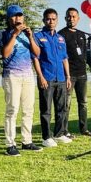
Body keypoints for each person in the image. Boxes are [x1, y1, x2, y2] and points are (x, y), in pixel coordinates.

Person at [0, 5, 43, 156]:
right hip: (12, 75)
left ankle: (27, 141)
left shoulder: (28, 34)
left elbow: (37, 53)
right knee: (12, 109)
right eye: (14, 16)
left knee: (28, 109)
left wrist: (30, 37)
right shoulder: (3, 33)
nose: (18, 19)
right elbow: (5, 54)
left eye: (20, 16)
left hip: (28, 75)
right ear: (9, 18)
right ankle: (10, 144)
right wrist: (15, 34)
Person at [33, 8, 72, 147]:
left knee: (62, 108)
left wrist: (68, 76)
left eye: (54, 19)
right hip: (47, 78)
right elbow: (35, 58)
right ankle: (46, 137)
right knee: (46, 110)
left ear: (57, 20)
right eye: (48, 19)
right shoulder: (38, 36)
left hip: (61, 78)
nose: (51, 21)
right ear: (44, 20)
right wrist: (40, 76)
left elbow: (64, 58)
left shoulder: (60, 38)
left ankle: (59, 133)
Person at [58, 7, 91, 137]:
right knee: (66, 103)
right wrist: (66, 75)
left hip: (82, 74)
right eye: (69, 16)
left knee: (83, 103)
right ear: (66, 18)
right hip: (69, 75)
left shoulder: (82, 34)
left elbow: (84, 54)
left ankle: (84, 129)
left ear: (78, 18)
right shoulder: (61, 35)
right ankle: (65, 130)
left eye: (74, 16)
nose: (71, 19)